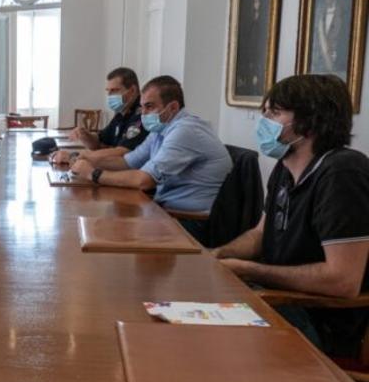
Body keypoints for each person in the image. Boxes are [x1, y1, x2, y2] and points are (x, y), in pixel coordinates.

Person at [212, 74, 369, 358]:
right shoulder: (285, 169)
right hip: (279, 300)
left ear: (309, 122)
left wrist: (249, 270)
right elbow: (260, 234)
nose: (264, 122)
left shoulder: (343, 173)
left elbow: (343, 280)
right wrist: (218, 255)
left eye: (275, 112)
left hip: (322, 322)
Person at [69, 75, 231, 237]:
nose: (143, 114)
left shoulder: (185, 130)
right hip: (166, 211)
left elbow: (144, 181)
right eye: (142, 107)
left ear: (173, 107)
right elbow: (127, 162)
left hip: (192, 221)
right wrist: (85, 160)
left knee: (112, 233)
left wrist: (94, 174)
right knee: (100, 227)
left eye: (149, 107)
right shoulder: (160, 130)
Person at [50, 67, 149, 164]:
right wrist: (85, 134)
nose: (110, 95)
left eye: (114, 90)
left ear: (132, 90)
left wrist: (75, 155)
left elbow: (122, 152)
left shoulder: (142, 113)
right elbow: (99, 141)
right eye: (108, 91)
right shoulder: (122, 112)